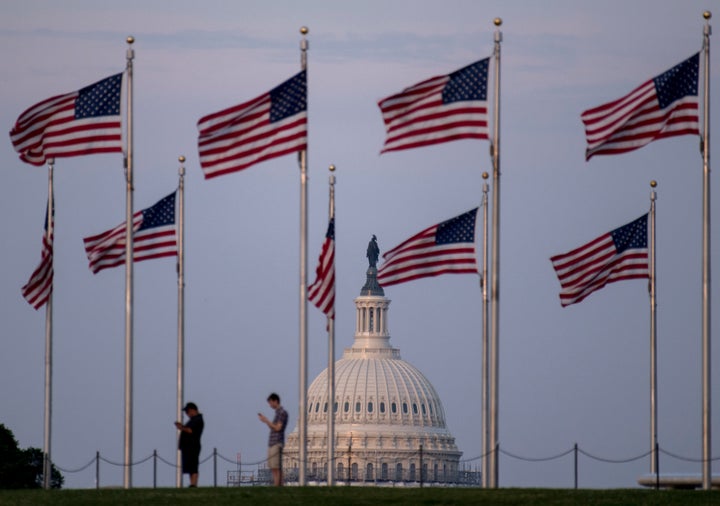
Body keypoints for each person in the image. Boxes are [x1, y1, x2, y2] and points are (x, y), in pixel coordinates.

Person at [258, 392, 288, 486]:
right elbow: (274, 427)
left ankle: (278, 486)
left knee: (276, 467)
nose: (270, 405)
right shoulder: (277, 413)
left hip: (277, 442)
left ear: (276, 401)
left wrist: (266, 420)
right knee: (273, 467)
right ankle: (277, 485)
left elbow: (278, 428)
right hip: (272, 443)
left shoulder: (282, 413)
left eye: (271, 403)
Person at [174, 402, 204, 487]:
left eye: (187, 411)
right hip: (188, 447)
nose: (187, 414)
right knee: (190, 467)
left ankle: (194, 484)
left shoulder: (198, 419)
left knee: (193, 466)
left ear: (192, 410)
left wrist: (181, 427)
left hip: (193, 446)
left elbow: (191, 430)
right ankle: (192, 483)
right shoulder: (193, 420)